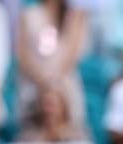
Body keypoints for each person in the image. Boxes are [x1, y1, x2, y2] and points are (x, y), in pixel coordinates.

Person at [17, 0, 87, 129]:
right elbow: (23, 57)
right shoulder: (29, 14)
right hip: (34, 88)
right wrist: (42, 83)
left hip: (64, 89)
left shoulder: (74, 15)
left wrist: (53, 85)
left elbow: (72, 54)